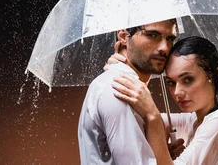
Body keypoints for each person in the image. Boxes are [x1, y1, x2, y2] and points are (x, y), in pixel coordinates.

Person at [110, 36, 218, 164]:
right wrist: (126, 70)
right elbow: (135, 118)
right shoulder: (195, 121)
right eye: (171, 83)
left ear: (214, 74)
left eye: (188, 79)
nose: (177, 92)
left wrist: (151, 114)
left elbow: (152, 119)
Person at [77, 19, 183, 164]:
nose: (165, 48)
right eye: (152, 35)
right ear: (123, 36)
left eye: (170, 38)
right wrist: (154, 117)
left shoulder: (132, 90)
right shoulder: (121, 89)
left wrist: (160, 152)